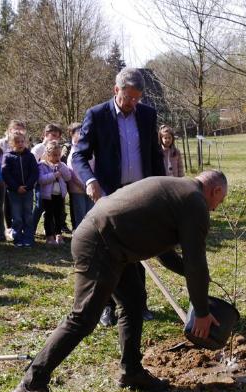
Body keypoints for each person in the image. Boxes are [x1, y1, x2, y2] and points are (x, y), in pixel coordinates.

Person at [12, 170, 228, 392]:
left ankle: (131, 371)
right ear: (216, 191)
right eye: (218, 202)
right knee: (82, 318)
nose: (215, 209)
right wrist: (201, 311)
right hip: (101, 244)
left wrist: (197, 277)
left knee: (134, 303)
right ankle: (32, 384)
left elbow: (166, 253)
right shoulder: (194, 201)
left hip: (113, 243)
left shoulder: (178, 191)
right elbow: (195, 260)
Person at [70, 67, 167, 326]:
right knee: (110, 252)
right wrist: (90, 181)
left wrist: (162, 187)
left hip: (141, 193)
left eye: (137, 98)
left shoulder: (147, 115)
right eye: (128, 98)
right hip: (111, 195)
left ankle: (139, 303)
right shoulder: (97, 115)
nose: (132, 103)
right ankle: (108, 306)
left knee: (139, 249)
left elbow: (155, 156)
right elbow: (79, 155)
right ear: (116, 90)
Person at [1, 131, 38, 247]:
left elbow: (34, 172)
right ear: (12, 143)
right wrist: (16, 187)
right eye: (17, 142)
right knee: (16, 216)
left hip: (28, 191)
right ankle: (17, 238)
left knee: (28, 215)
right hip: (13, 192)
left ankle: (28, 238)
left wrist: (27, 186)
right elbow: (6, 174)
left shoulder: (30, 156)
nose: (20, 144)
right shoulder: (8, 157)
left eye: (22, 141)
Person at [31, 123, 65, 235]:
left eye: (58, 136)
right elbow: (33, 165)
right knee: (39, 206)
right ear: (46, 134)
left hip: (54, 184)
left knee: (52, 209)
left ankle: (51, 230)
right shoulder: (38, 148)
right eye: (53, 135)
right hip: (40, 182)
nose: (56, 138)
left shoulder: (56, 149)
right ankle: (31, 229)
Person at [36, 140, 72, 245]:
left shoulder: (61, 165)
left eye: (59, 155)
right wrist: (53, 176)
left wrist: (61, 167)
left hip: (59, 195)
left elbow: (68, 177)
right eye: (54, 155)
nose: (57, 157)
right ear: (48, 155)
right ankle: (49, 236)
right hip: (48, 196)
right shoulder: (42, 165)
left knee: (59, 215)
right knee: (48, 215)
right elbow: (41, 180)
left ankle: (58, 235)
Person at [65, 123, 93, 231]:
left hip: (90, 187)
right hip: (77, 189)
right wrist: (83, 186)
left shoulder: (90, 150)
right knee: (80, 214)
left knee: (90, 213)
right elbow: (72, 173)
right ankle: (79, 235)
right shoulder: (72, 152)